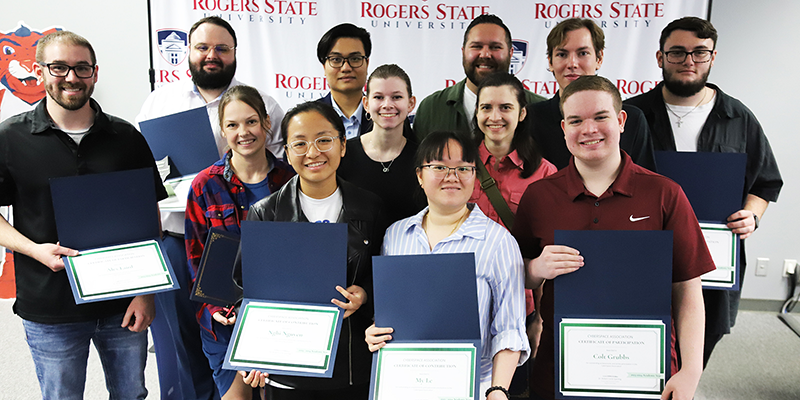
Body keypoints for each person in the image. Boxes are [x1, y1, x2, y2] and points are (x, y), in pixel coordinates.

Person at [512, 75, 714, 400]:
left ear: (621, 120)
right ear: (564, 128)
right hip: (560, 368)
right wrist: (536, 268)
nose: (589, 129)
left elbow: (687, 289)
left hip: (647, 370)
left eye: (600, 117)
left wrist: (691, 370)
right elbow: (516, 271)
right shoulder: (539, 197)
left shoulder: (665, 194)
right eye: (576, 120)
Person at [0, 31, 168, 399]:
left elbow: (148, 218)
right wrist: (34, 249)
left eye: (81, 68)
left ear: (94, 73)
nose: (71, 77)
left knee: (131, 394)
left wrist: (147, 294)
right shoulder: (9, 138)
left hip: (122, 304)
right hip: (50, 306)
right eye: (59, 67)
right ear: (39, 70)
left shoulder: (126, 137)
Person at [136, 17, 286, 399]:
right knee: (181, 348)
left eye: (221, 48)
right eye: (202, 47)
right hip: (177, 239)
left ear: (235, 53)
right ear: (188, 52)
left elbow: (286, 172)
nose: (211, 56)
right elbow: (142, 174)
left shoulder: (266, 103)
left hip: (250, 246)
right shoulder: (159, 102)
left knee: (255, 352)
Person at [624, 16, 783, 368]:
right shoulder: (630, 114)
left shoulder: (738, 118)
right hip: (642, 250)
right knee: (637, 348)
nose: (688, 61)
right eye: (677, 53)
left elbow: (765, 182)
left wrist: (752, 216)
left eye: (699, 53)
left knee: (699, 346)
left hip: (713, 262)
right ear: (660, 57)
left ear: (713, 57)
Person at [366, 130, 529, 400]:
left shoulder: (498, 242)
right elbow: (390, 312)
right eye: (439, 167)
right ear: (420, 175)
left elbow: (510, 329)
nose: (452, 176)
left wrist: (498, 390)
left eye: (463, 168)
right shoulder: (395, 235)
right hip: (402, 385)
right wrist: (375, 333)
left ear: (475, 176)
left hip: (472, 388)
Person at [247, 101, 386, 399]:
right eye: (300, 144)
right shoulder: (265, 213)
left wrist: (363, 294)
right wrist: (251, 350)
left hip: (352, 366)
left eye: (324, 140)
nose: (313, 153)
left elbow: (386, 275)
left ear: (343, 145)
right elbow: (247, 290)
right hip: (287, 370)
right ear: (286, 152)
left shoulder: (370, 207)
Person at [185, 85, 294, 399]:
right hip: (226, 322)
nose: (243, 132)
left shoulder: (290, 180)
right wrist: (213, 306)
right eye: (232, 125)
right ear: (222, 130)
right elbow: (196, 260)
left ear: (266, 124)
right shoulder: (205, 185)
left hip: (279, 319)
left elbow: (298, 255)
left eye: (251, 121)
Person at [526, 18, 656, 170]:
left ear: (599, 58)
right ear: (550, 62)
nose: (572, 63)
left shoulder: (633, 120)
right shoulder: (531, 119)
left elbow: (646, 183)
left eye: (583, 53)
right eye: (562, 54)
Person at [414, 14, 545, 140]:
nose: (485, 54)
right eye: (476, 46)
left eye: (495, 47)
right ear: (463, 51)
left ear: (511, 53)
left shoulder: (540, 109)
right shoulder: (431, 109)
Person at [338, 64, 425, 224]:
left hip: (409, 248)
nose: (387, 105)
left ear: (411, 104)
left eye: (396, 97)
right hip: (355, 249)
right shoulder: (342, 154)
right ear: (366, 104)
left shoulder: (424, 158)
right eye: (378, 97)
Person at [314, 23, 373, 139]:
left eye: (355, 59)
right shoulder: (308, 117)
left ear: (367, 64)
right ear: (324, 67)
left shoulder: (385, 116)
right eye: (336, 59)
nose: (346, 68)